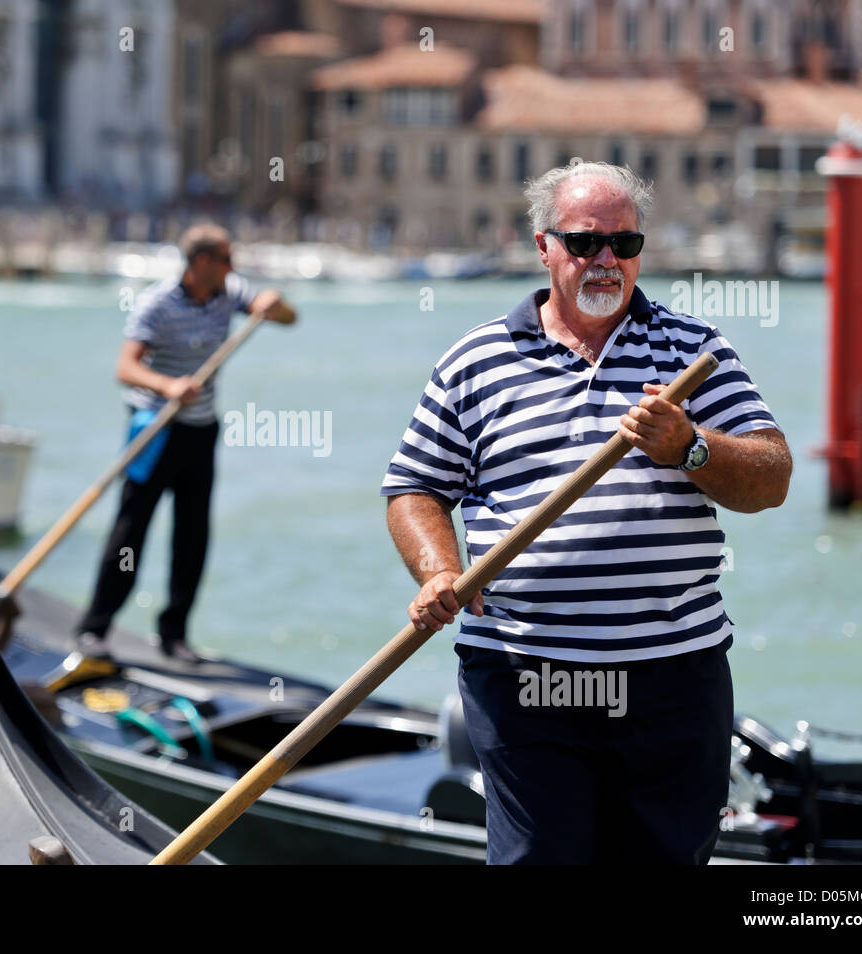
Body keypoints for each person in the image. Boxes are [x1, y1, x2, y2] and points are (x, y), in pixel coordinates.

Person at [381, 159, 792, 864]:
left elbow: (771, 476)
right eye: (584, 243)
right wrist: (442, 570)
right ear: (543, 246)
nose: (605, 261)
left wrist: (690, 448)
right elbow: (414, 487)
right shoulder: (475, 360)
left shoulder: (695, 350)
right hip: (525, 675)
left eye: (623, 245)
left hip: (672, 677)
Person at [76, 224, 296, 663]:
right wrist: (167, 385)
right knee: (130, 530)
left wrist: (276, 305)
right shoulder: (157, 304)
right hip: (155, 429)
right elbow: (126, 367)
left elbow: (287, 319)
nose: (235, 268)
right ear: (202, 263)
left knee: (192, 535)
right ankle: (94, 628)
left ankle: (173, 633)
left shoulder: (229, 292)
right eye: (227, 259)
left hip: (201, 431)